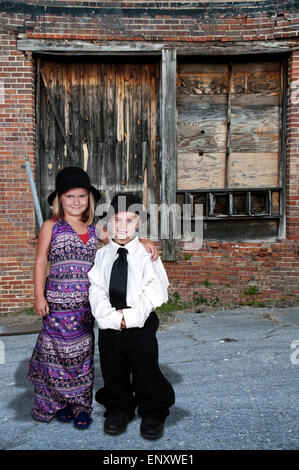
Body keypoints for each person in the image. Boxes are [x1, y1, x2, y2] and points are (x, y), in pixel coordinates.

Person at [27, 168, 158, 429]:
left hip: (85, 306)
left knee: (82, 355)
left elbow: (122, 239)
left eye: (82, 196)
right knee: (56, 355)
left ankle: (80, 405)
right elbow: (41, 260)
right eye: (70, 196)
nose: (76, 202)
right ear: (59, 200)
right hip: (57, 304)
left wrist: (142, 240)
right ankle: (59, 401)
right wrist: (38, 295)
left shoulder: (96, 228)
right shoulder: (51, 226)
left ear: (89, 199)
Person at [88, 193, 175, 439]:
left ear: (139, 223)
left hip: (140, 323)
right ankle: (119, 407)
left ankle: (154, 411)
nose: (123, 226)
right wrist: (111, 318)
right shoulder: (102, 255)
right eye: (117, 220)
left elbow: (155, 290)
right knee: (113, 367)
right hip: (110, 324)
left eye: (129, 220)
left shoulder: (147, 254)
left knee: (144, 366)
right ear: (109, 222)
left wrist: (131, 317)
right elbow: (96, 289)